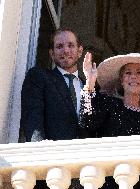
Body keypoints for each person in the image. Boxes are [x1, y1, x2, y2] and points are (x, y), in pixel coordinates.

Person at [79, 52, 140, 189]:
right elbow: (87, 121)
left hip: (138, 183)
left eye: (139, 72)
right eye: (128, 73)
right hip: (106, 181)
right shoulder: (109, 105)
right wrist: (90, 82)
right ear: (122, 80)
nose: (133, 76)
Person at [21, 28, 85, 189]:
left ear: (80, 51)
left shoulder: (90, 87)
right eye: (59, 46)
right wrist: (40, 162)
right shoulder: (40, 77)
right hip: (51, 172)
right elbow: (33, 120)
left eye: (71, 45)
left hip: (85, 173)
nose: (65, 50)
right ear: (51, 53)